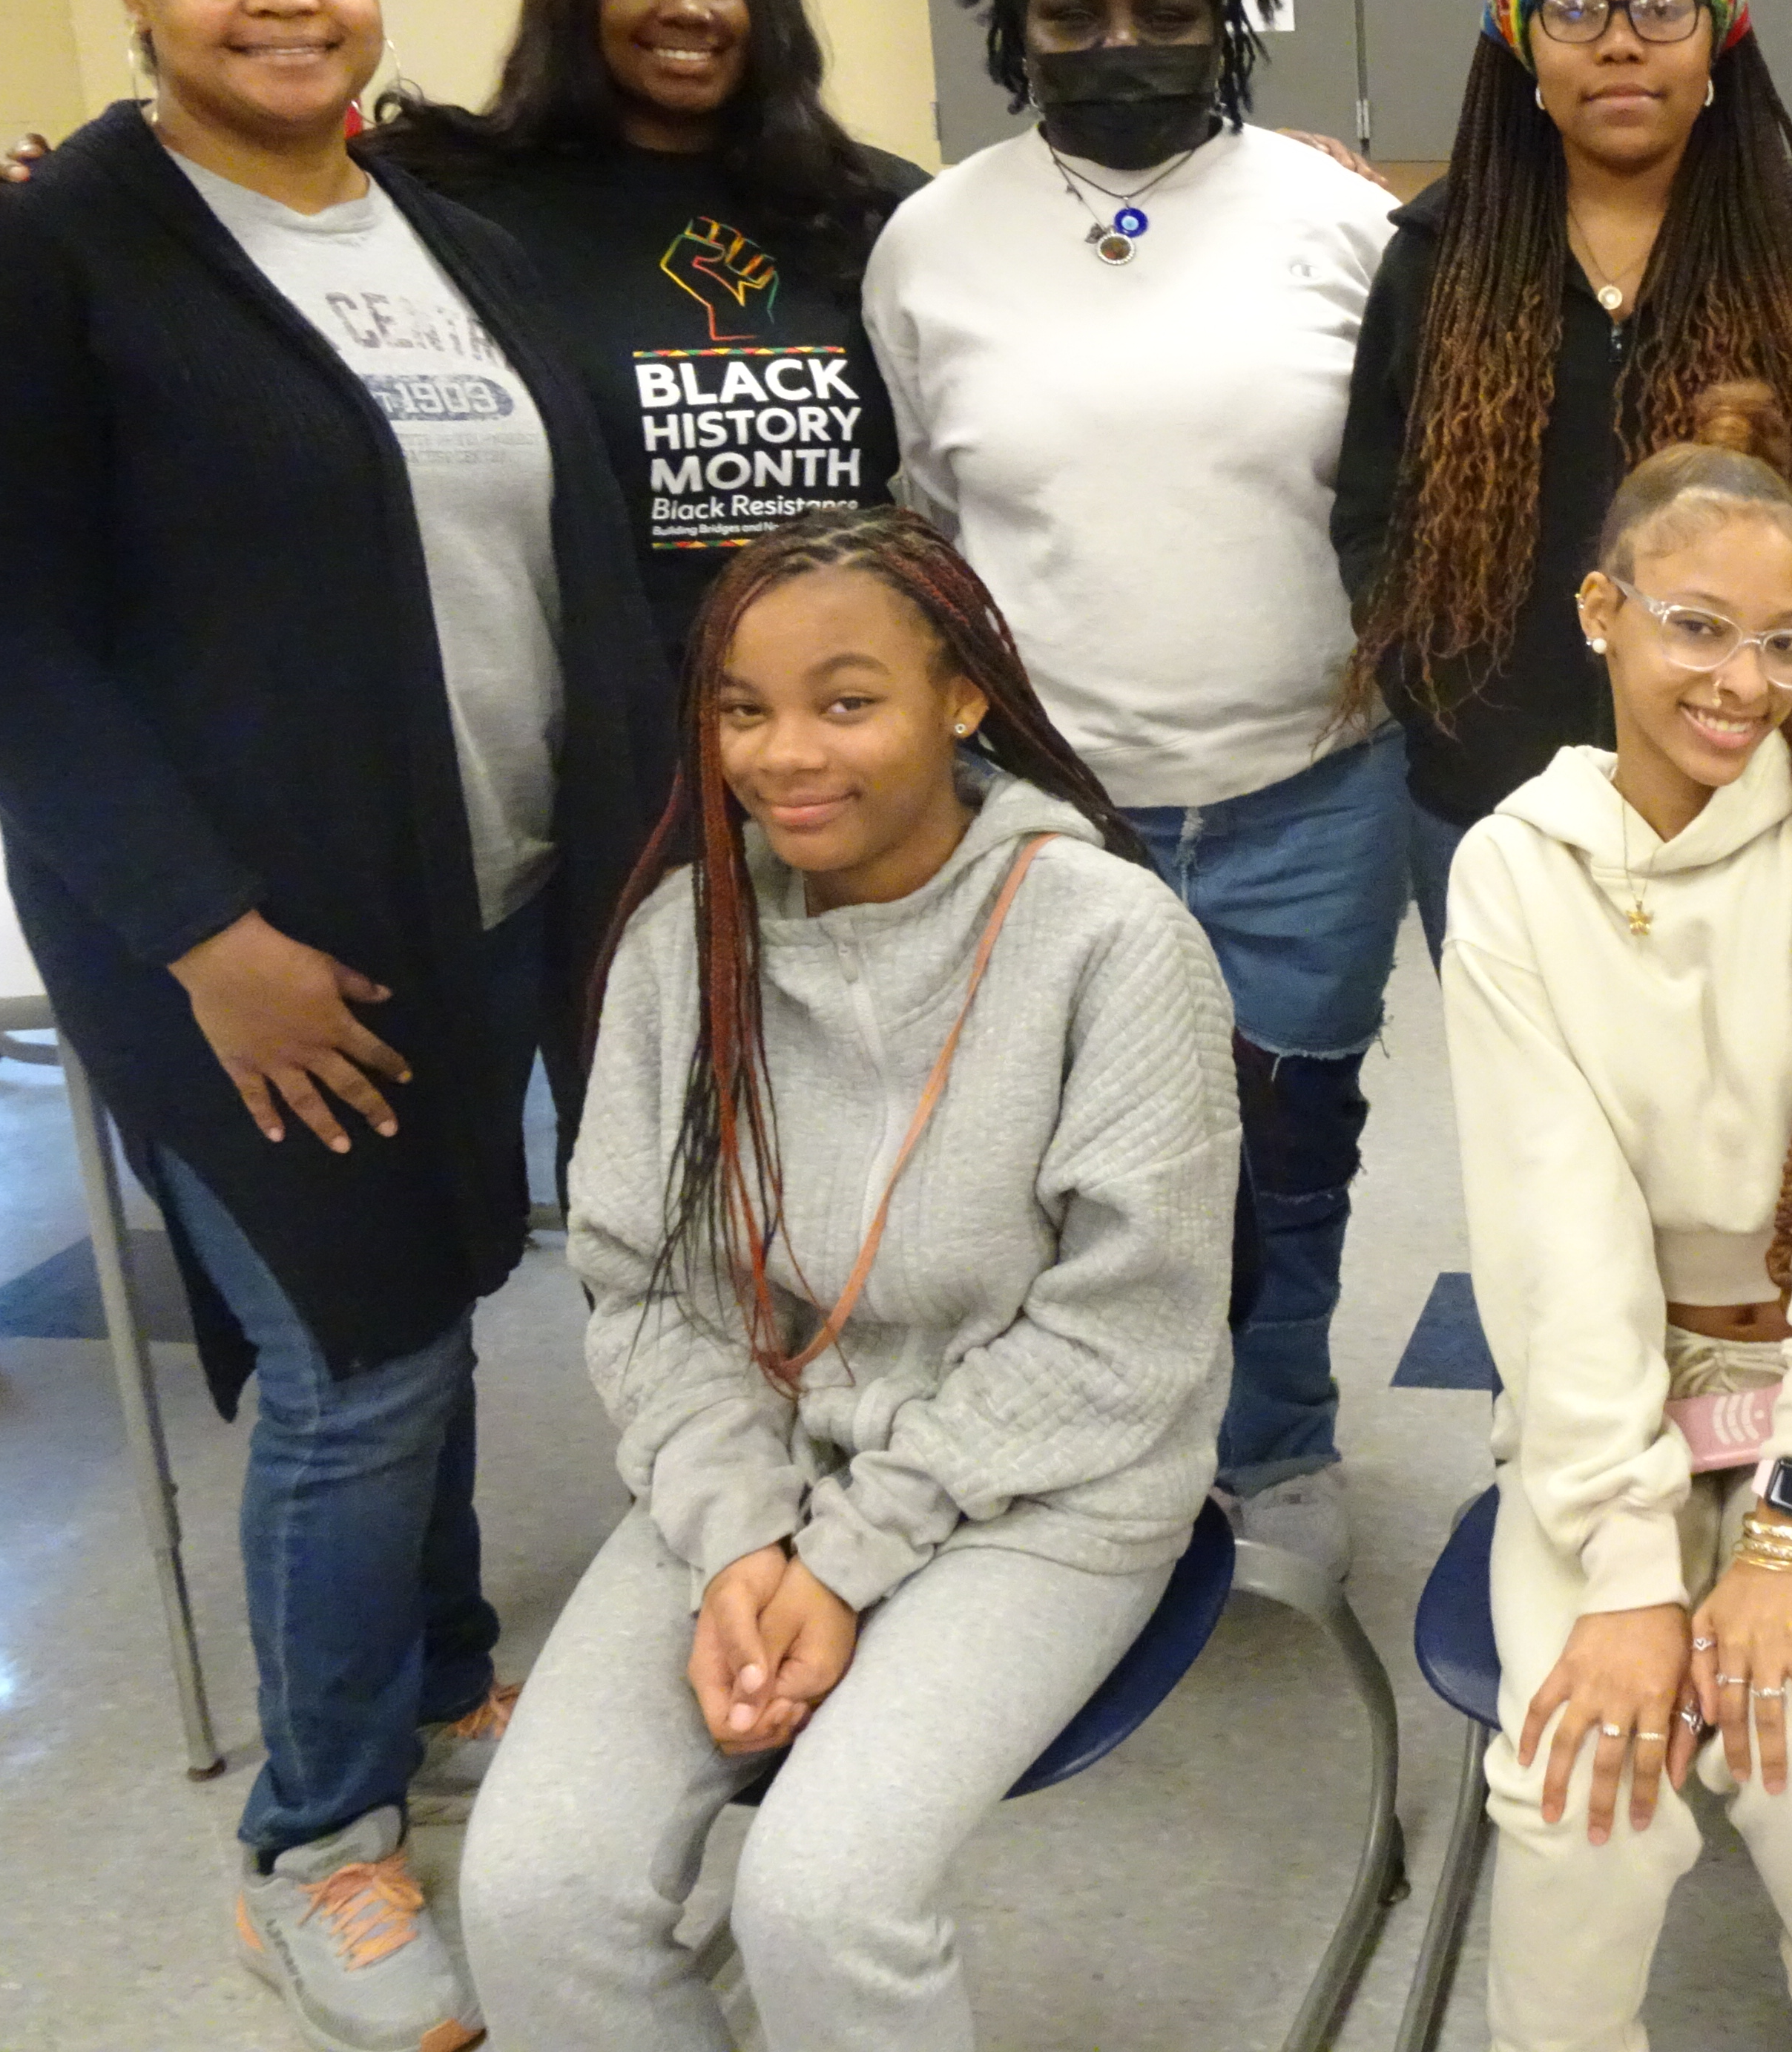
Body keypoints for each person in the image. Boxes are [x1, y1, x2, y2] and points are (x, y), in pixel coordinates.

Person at [0, 0, 663, 2052]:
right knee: (363, 1370)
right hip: (244, 944)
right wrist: (198, 932)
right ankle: (317, 1847)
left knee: (441, 1284)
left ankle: (442, 1684)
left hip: (498, 896)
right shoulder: (46, 255)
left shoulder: (451, 239)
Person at [460, 505, 1239, 2052]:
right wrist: (744, 1532)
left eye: (845, 701)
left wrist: (847, 1558)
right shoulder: (690, 940)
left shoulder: (1110, 940)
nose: (784, 754)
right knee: (534, 1892)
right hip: (764, 1471)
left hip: (1050, 1490)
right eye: (743, 711)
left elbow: (1126, 1337)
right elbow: (642, 1288)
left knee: (822, 1900)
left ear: (963, 699)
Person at [1443, 384, 1792, 2052]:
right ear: (1602, 613)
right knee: (1574, 1784)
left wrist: (1786, 1536)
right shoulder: (1514, 870)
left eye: (1788, 645)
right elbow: (1557, 1249)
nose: (1743, 684)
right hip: (1606, 1393)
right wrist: (1626, 1567)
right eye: (1699, 629)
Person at [863, 0, 1404, 1573]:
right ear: (1011, 28)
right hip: (1038, 808)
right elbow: (922, 527)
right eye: (1071, 14)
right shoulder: (932, 241)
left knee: (1284, 1150)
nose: (1120, 44)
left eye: (1163, 12)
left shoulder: (1338, 224)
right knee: (1046, 1160)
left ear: (1224, 15)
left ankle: (1277, 1444)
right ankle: (1080, 1462)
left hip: (1306, 790)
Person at [0, 0, 929, 670]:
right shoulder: (446, 197)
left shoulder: (871, 204)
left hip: (848, 713)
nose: (687, 8)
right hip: (594, 736)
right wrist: (37, 202)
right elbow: (246, 193)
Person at [1334, 0, 1792, 940]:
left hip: (1757, 799)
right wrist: (1454, 712)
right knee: (1538, 1107)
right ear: (1524, 49)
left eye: (1662, 4)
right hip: (1498, 808)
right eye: (1574, 6)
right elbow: (1375, 518)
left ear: (1717, 40)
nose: (1620, 40)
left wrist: (1783, 716)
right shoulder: (1440, 261)